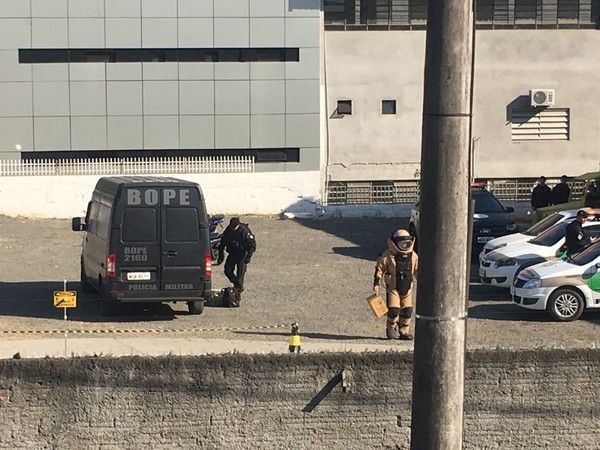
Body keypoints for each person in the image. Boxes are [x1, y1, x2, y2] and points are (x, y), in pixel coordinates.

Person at [373, 229, 419, 341]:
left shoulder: (413, 256)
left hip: (407, 288)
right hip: (393, 288)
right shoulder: (388, 255)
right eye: (402, 243)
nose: (404, 245)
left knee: (407, 310)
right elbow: (380, 268)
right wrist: (376, 283)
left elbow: (417, 270)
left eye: (407, 243)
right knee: (393, 310)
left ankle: (404, 331)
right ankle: (391, 327)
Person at [215, 217, 256, 299]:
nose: (233, 229)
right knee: (228, 270)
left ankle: (238, 292)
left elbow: (252, 245)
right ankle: (238, 285)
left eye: (234, 228)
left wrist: (248, 257)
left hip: (242, 253)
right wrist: (220, 256)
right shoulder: (228, 230)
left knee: (240, 272)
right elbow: (223, 242)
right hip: (233, 253)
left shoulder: (244, 231)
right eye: (232, 227)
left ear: (238, 225)